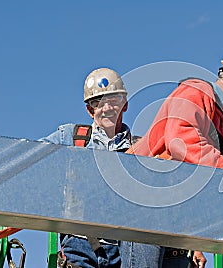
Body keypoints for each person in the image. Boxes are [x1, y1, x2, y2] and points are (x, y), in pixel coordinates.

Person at [128, 43, 223, 267]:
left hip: (176, 223)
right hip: (143, 208)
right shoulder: (195, 93)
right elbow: (179, 141)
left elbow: (216, 186)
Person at [40, 68, 132, 268]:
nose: (106, 108)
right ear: (90, 110)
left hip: (124, 249)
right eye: (98, 102)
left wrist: (194, 245)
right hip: (79, 243)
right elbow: (29, 159)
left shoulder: (140, 148)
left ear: (125, 104)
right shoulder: (72, 138)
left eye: (113, 100)